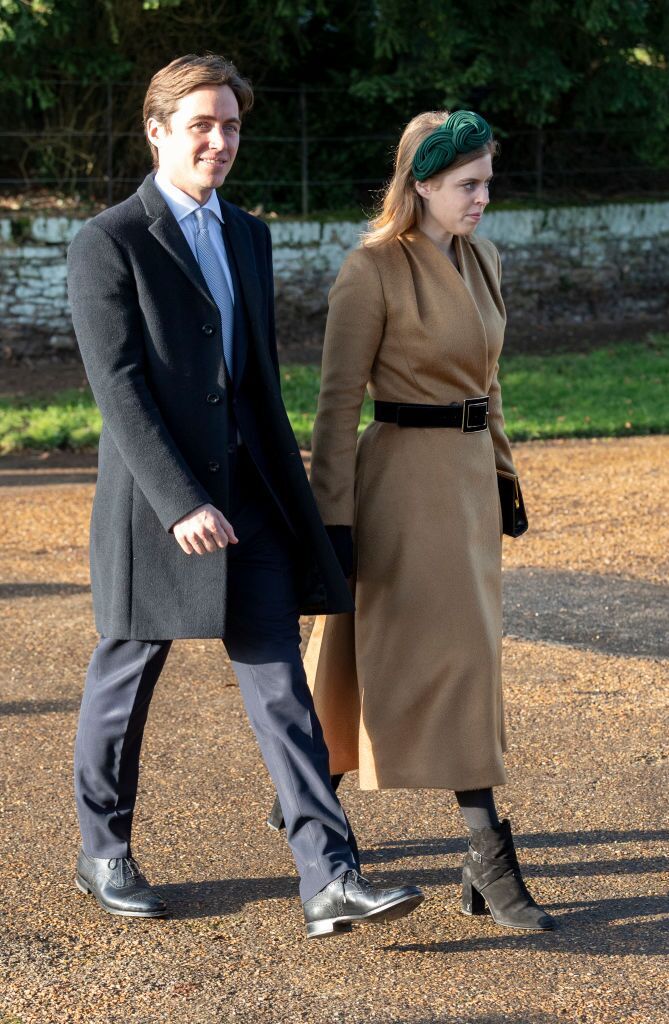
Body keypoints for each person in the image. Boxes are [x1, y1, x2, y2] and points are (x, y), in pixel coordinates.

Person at [67, 53, 423, 939]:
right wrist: (181, 500)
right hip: (162, 510)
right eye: (201, 125)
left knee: (278, 684)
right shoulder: (107, 241)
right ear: (156, 132)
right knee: (125, 678)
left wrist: (294, 491)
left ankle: (329, 876)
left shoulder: (248, 235)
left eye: (230, 125)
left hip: (254, 496)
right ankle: (102, 851)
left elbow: (255, 383)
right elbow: (118, 390)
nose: (220, 142)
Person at [271, 109, 555, 931]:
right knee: (445, 654)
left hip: (466, 484)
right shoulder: (371, 270)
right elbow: (334, 404)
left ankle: (301, 792)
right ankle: (487, 854)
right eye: (466, 184)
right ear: (420, 183)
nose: (481, 199)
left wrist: (503, 470)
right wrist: (331, 517)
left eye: (487, 182)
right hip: (397, 480)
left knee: (374, 643)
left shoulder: (483, 258)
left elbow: (488, 380)